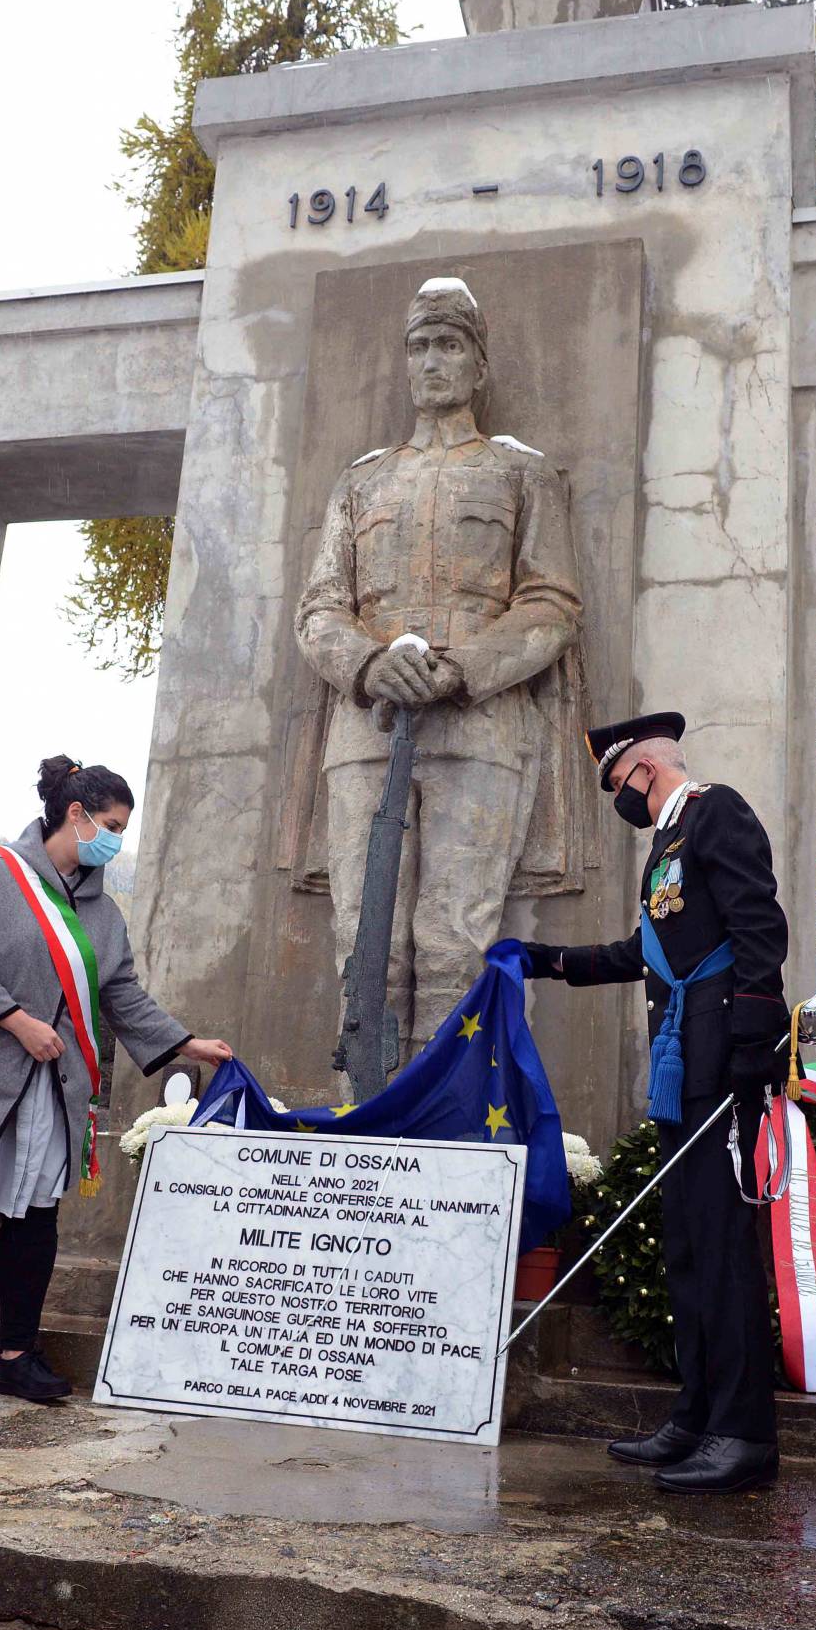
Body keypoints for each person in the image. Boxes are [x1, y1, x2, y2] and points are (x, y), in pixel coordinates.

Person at [0, 755, 233, 1408]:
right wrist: (15, 1021)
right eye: (112, 824)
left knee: (37, 1218)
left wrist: (185, 1042)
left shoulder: (100, 911)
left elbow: (120, 993)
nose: (116, 839)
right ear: (76, 813)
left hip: (48, 1085)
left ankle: (18, 1357)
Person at [294, 275, 583, 1052]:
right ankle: (368, 1113)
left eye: (448, 345)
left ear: (478, 366)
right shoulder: (361, 480)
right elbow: (318, 606)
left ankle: (445, 1123)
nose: (431, 362)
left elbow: (550, 603)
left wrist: (461, 668)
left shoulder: (519, 471)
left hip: (480, 726)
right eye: (418, 347)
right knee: (366, 937)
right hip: (369, 726)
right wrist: (364, 664)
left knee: (456, 936)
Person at [524, 713, 790, 1493]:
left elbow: (756, 925)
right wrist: (548, 961)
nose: (619, 801)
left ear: (642, 768)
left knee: (723, 1252)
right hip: (685, 1070)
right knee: (687, 1249)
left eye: (617, 786)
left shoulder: (716, 811)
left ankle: (742, 1435)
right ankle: (696, 1415)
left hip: (719, 1069)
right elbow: (645, 954)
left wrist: (751, 1038)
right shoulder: (665, 844)